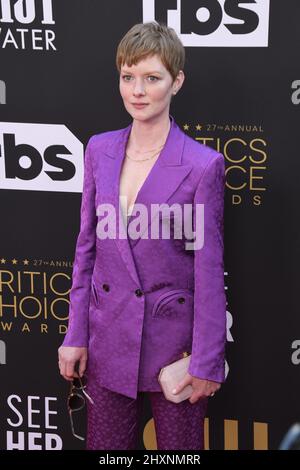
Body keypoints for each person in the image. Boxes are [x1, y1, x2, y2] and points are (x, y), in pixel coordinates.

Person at [58, 21, 227, 450]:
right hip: (108, 339)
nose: (137, 90)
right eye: (128, 77)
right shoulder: (99, 149)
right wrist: (75, 334)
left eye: (152, 78)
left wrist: (207, 360)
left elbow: (209, 271)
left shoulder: (202, 165)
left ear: (177, 82)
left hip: (174, 350)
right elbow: (87, 250)